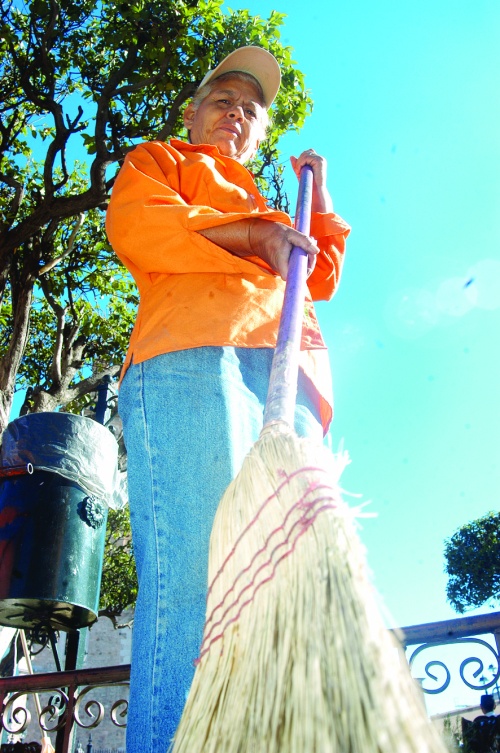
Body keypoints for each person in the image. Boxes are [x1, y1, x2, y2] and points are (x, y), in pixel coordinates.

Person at [105, 45, 350, 753]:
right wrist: (249, 235)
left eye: (252, 108)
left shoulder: (276, 207)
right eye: (223, 98)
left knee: (286, 592)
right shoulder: (162, 161)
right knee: (198, 577)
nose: (238, 112)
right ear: (192, 112)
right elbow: (137, 224)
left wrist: (318, 206)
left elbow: (321, 277)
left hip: (288, 377)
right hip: (194, 356)